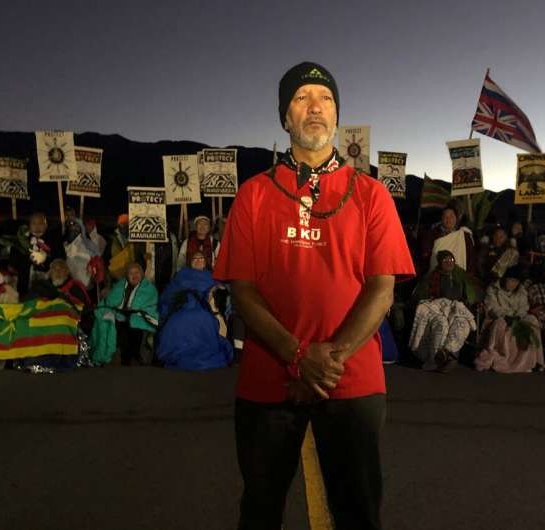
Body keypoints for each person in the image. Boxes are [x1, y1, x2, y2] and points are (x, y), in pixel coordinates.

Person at [213, 61, 414, 530]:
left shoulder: (371, 194)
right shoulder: (254, 194)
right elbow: (242, 289)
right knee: (260, 511)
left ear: (337, 115)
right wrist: (297, 355)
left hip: (351, 377)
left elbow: (381, 289)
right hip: (269, 376)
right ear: (285, 117)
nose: (315, 107)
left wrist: (327, 361)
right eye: (301, 98)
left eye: (325, 99)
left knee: (358, 512)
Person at [156, 251, 233, 370]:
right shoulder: (181, 275)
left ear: (205, 262)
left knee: (203, 319)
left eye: (201, 259)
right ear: (190, 262)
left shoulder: (210, 276)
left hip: (202, 307)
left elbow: (217, 290)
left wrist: (216, 289)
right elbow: (169, 292)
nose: (198, 261)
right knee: (176, 321)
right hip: (181, 306)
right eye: (195, 259)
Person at [409, 250, 480, 373]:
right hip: (437, 310)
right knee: (441, 324)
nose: (449, 263)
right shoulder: (432, 277)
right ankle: (434, 359)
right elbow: (421, 296)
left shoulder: (460, 276)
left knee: (461, 323)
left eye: (451, 260)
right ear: (439, 262)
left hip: (455, 309)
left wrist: (470, 302)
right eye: (445, 260)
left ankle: (447, 353)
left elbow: (472, 293)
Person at [475, 265, 544, 373]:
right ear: (505, 279)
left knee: (532, 320)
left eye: (516, 281)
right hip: (498, 318)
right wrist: (506, 316)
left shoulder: (521, 291)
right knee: (501, 324)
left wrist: (518, 316)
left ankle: (536, 361)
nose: (513, 284)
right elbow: (492, 307)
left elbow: (524, 307)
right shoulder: (493, 289)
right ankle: (503, 359)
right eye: (511, 280)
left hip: (517, 318)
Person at [90, 262, 158, 366]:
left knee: (133, 325)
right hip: (121, 315)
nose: (134, 275)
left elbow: (150, 305)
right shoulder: (120, 286)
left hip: (141, 316)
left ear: (142, 274)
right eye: (131, 273)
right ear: (127, 276)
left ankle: (133, 356)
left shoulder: (148, 288)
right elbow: (110, 301)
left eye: (137, 272)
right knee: (106, 321)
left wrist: (133, 310)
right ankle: (109, 355)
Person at [8, 212, 64, 295]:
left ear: (46, 225)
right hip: (25, 279)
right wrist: (28, 259)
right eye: (34, 223)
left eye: (41, 223)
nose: (37, 227)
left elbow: (60, 257)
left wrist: (45, 258)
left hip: (47, 278)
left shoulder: (53, 239)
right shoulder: (23, 239)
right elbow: (14, 257)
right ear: (30, 225)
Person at [420, 204, 476, 275]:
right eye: (445, 217)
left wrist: (470, 276)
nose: (448, 219)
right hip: (438, 274)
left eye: (451, 216)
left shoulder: (464, 235)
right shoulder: (433, 234)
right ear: (441, 219)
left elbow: (471, 258)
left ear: (456, 218)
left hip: (459, 274)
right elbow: (427, 254)